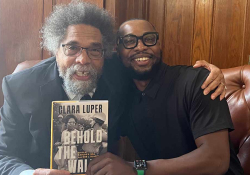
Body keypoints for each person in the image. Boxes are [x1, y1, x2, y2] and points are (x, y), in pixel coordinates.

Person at [0, 2, 226, 175]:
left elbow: (144, 61)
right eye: (72, 48)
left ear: (106, 53)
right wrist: (31, 173)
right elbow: (4, 155)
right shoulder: (20, 87)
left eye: (95, 50)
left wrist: (213, 74)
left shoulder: (117, 73)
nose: (83, 59)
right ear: (54, 49)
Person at [86, 19, 244, 175]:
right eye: (129, 41)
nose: (141, 47)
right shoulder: (122, 95)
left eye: (149, 39)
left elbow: (216, 161)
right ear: (117, 50)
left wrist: (137, 169)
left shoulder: (198, 82)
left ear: (159, 44)